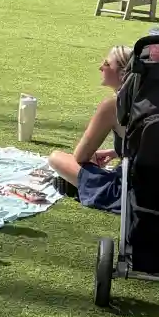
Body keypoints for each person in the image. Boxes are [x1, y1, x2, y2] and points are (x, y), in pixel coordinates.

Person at [47, 46, 134, 213]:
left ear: (123, 74)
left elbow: (80, 156)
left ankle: (83, 187)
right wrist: (116, 152)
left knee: (56, 158)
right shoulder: (156, 104)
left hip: (128, 193)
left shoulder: (113, 106)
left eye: (107, 64)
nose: (100, 67)